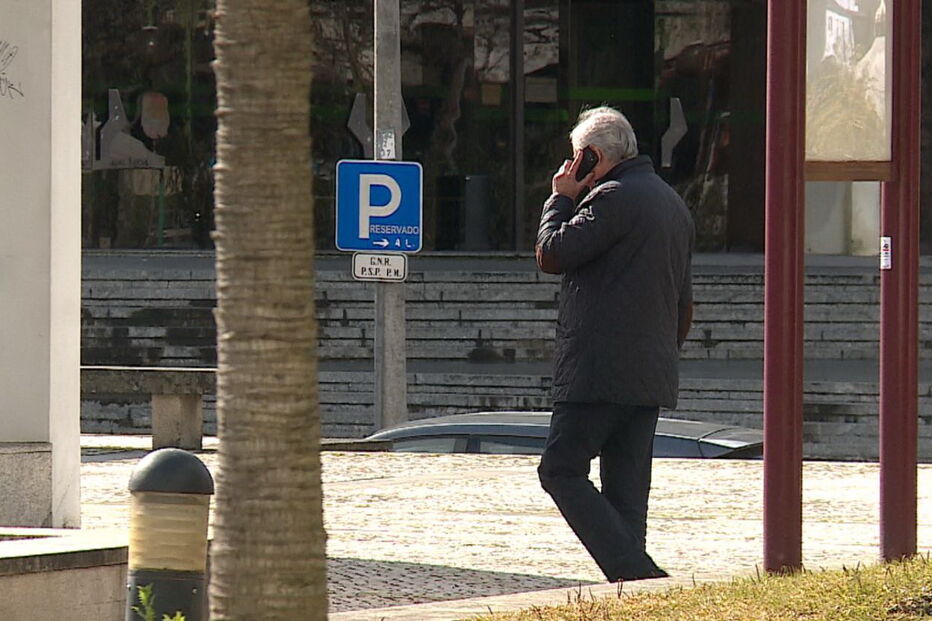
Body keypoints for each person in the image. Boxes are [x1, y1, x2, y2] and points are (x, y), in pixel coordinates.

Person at [535, 106, 694, 583]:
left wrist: (560, 199)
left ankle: (639, 574)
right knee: (626, 493)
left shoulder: (611, 197)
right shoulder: (671, 202)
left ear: (591, 156)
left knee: (560, 470)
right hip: (652, 370)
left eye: (576, 157)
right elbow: (684, 299)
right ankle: (638, 590)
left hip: (598, 370)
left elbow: (552, 254)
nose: (570, 166)